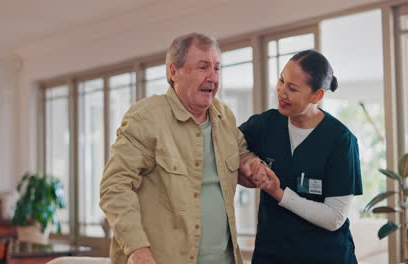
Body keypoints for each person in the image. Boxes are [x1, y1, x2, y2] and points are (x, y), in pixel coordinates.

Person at [99, 32, 265, 264]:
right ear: (173, 71)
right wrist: (137, 249)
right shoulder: (146, 118)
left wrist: (250, 164)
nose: (212, 77)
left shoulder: (224, 116)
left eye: (217, 68)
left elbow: (240, 154)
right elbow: (114, 187)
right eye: (202, 67)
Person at [239, 50, 363, 264]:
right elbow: (229, 145)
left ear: (317, 96)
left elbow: (334, 217)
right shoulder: (266, 124)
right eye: (281, 81)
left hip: (324, 257)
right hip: (272, 254)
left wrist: (278, 193)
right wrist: (248, 162)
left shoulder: (341, 141)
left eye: (292, 88)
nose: (281, 92)